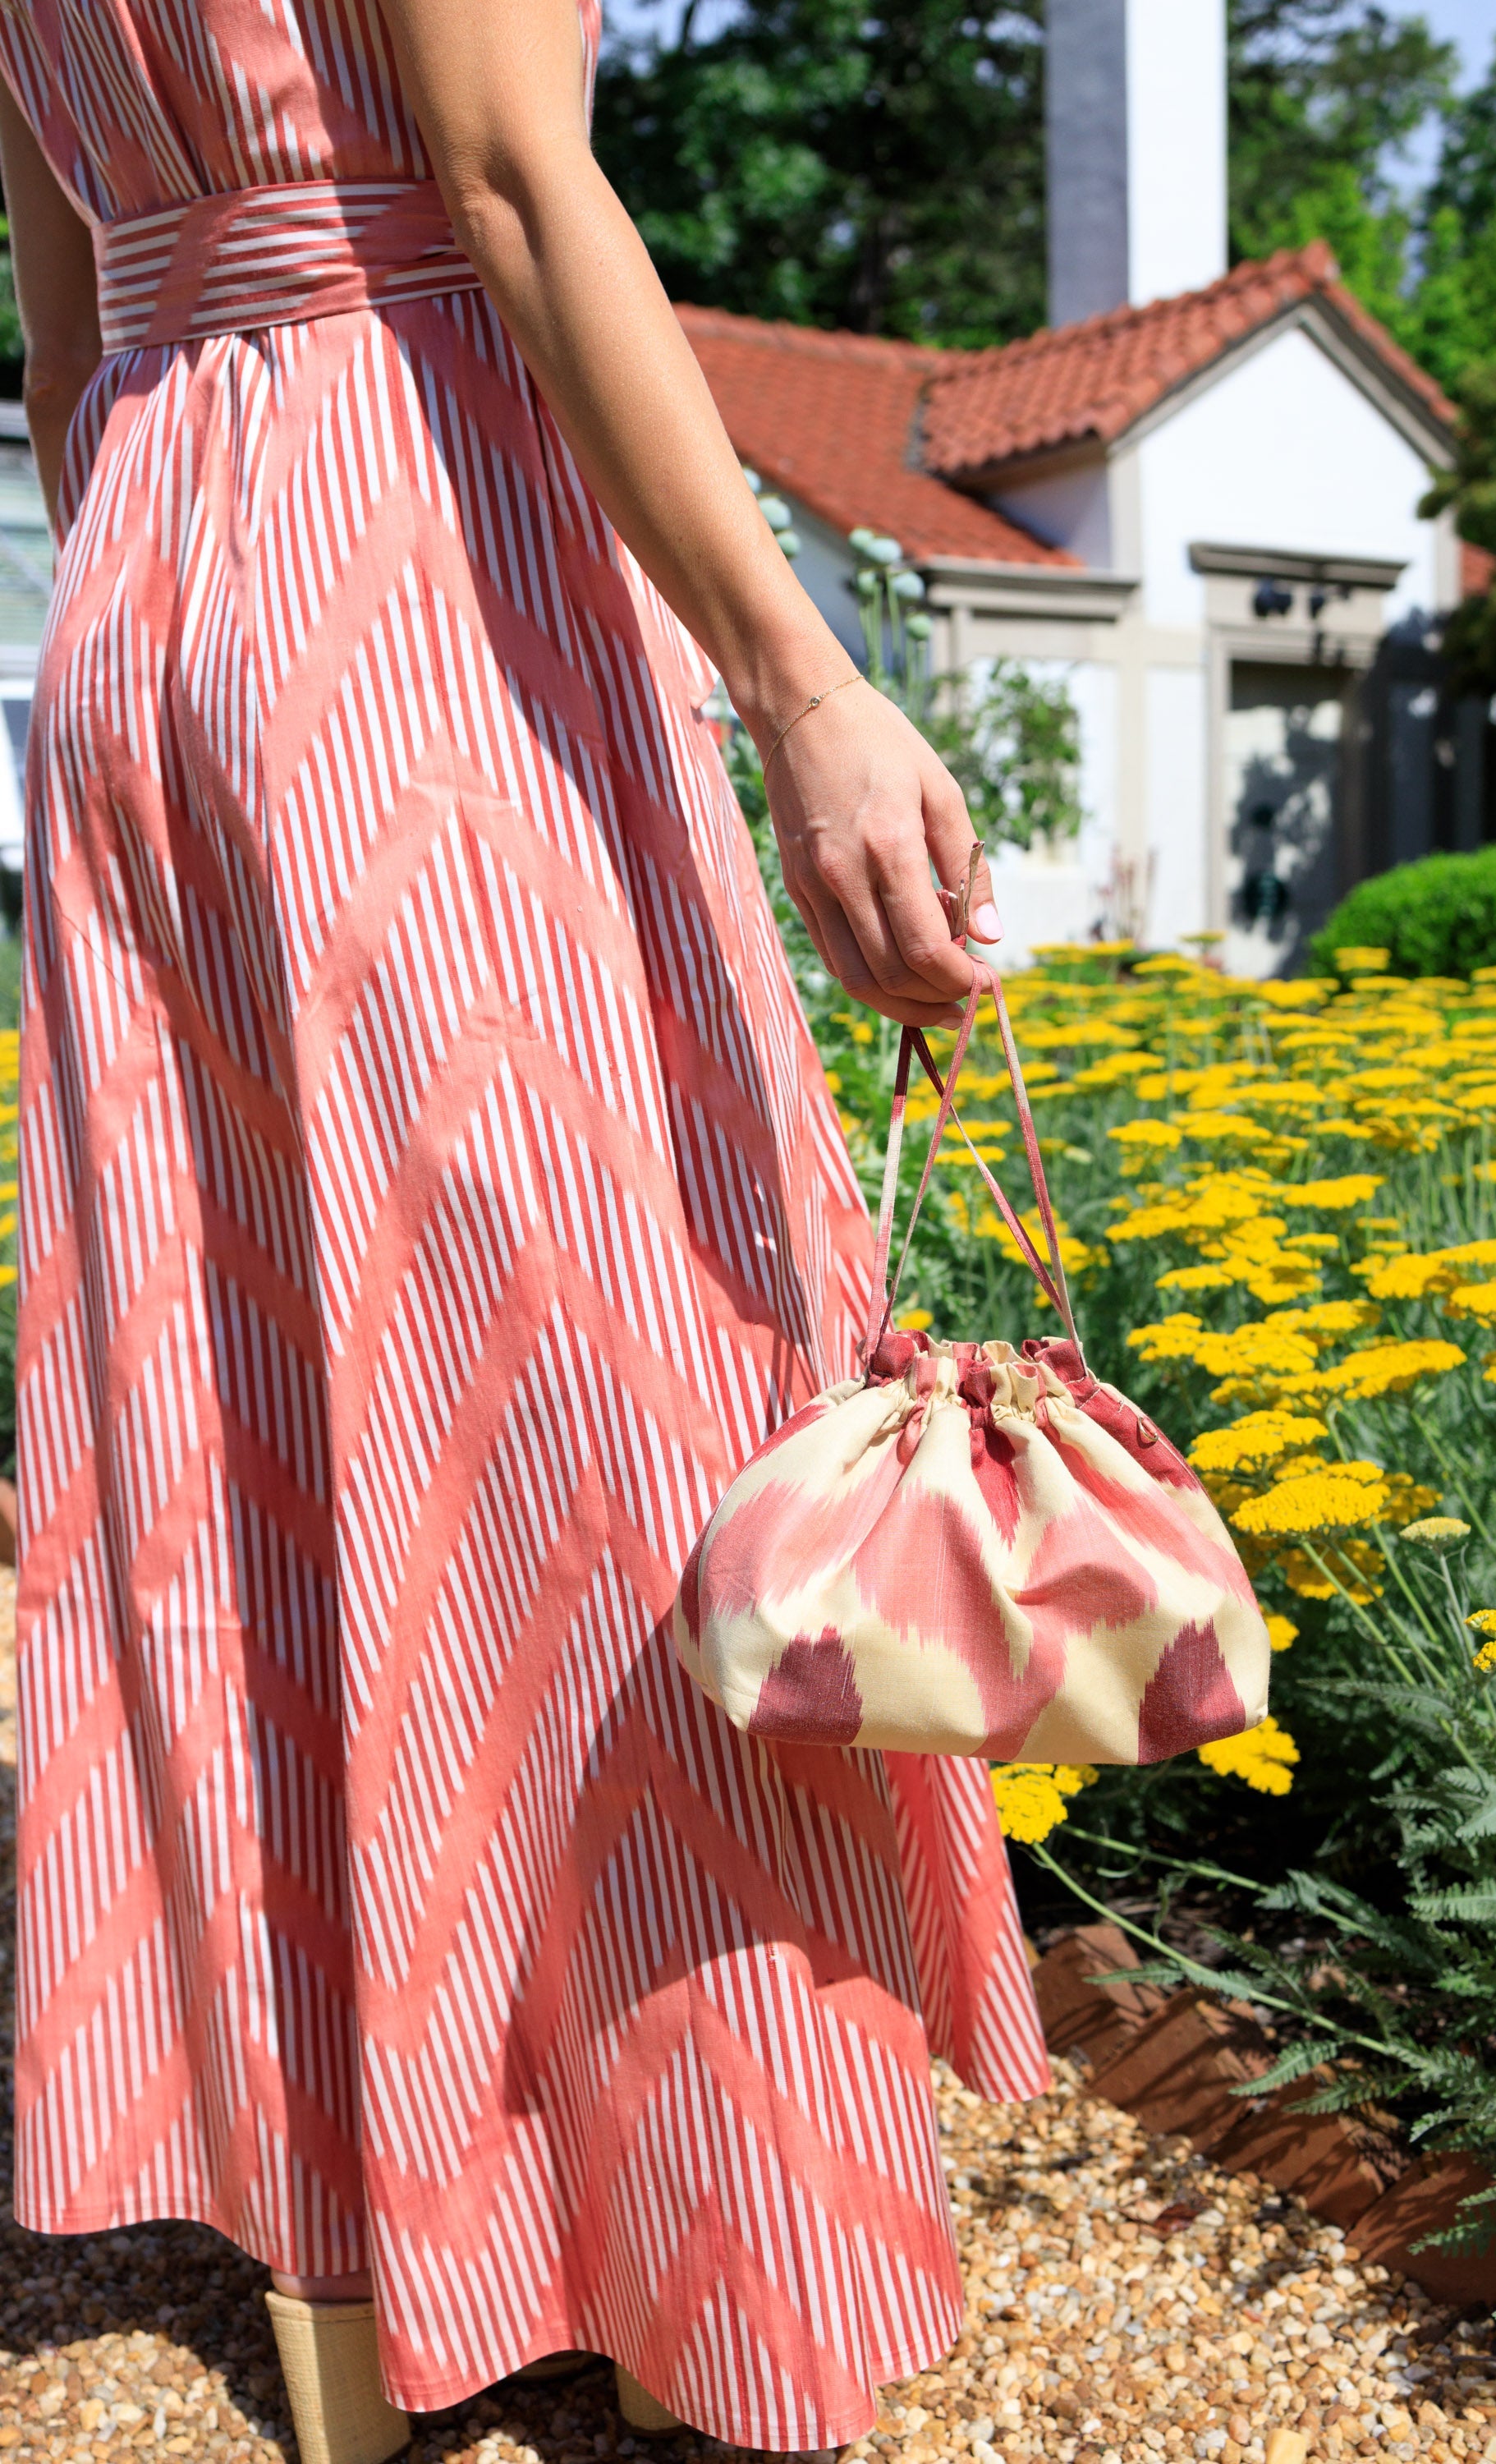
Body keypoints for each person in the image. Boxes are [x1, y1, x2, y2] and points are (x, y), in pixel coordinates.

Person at [0, 2, 1051, 2460]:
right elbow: (506, 186)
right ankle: (722, 2272)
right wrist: (807, 688)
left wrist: (174, 569)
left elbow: (64, 311)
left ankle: (360, 2251)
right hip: (423, 578)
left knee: (250, 1432)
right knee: (618, 1423)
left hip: (145, 592)